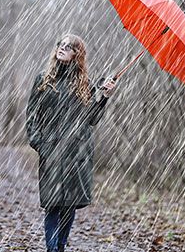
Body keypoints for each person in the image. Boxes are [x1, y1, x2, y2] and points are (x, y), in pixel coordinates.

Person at [25, 34, 116, 252]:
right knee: (53, 204)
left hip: (77, 152)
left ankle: (60, 246)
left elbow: (91, 119)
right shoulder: (43, 79)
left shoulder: (84, 84)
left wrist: (103, 97)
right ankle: (52, 249)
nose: (63, 48)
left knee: (68, 206)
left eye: (69, 46)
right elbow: (32, 116)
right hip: (52, 150)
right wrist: (40, 144)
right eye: (61, 44)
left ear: (78, 54)